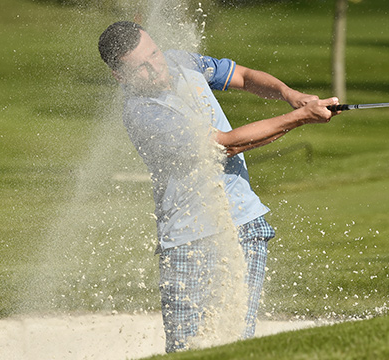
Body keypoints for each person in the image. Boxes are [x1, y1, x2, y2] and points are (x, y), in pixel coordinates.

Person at [97, 21, 339, 352]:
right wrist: (300, 118)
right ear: (120, 77)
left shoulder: (181, 60)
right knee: (188, 350)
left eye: (154, 53)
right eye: (140, 67)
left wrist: (292, 96)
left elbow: (242, 76)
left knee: (235, 343)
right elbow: (226, 145)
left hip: (245, 225)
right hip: (189, 242)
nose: (156, 67)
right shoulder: (143, 114)